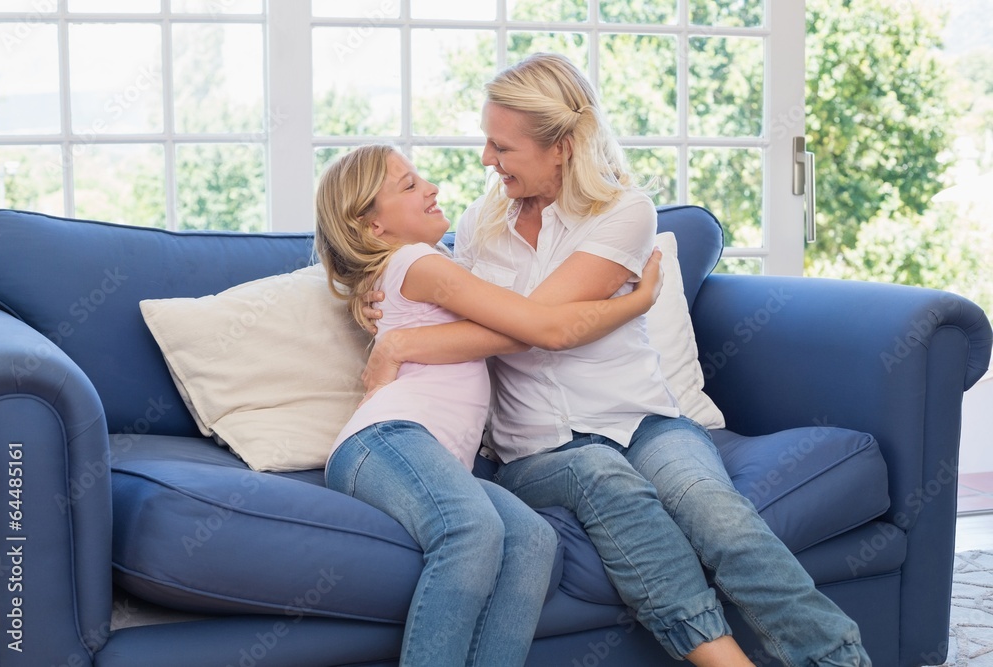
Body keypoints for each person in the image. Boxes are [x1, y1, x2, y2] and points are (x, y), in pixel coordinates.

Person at [360, 53, 872, 666]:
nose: (486, 162)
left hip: (643, 421)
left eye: (502, 147)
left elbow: (538, 327)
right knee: (602, 477)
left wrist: (409, 341)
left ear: (564, 146)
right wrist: (389, 322)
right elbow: (486, 315)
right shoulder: (477, 226)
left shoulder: (625, 212)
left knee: (720, 517)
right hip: (536, 448)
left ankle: (838, 659)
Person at [314, 143, 668, 667]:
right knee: (472, 530)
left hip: (420, 448)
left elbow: (497, 316)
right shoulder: (418, 261)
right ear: (372, 228)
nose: (431, 188)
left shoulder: (420, 263)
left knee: (531, 541)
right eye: (408, 186)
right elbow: (528, 327)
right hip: (386, 439)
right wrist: (636, 300)